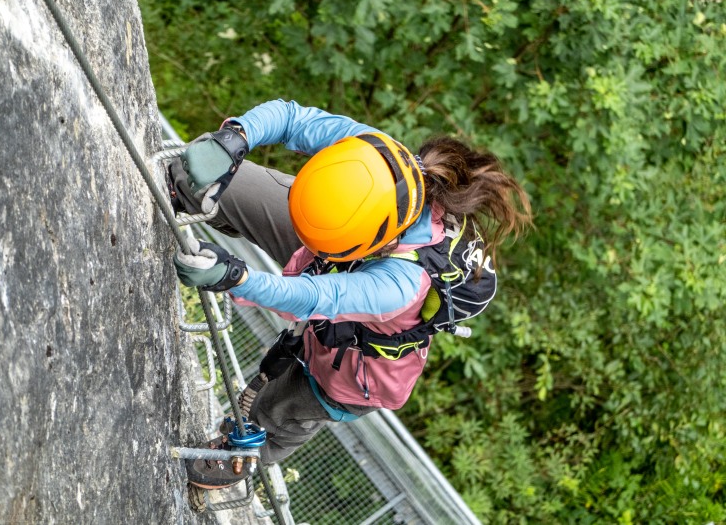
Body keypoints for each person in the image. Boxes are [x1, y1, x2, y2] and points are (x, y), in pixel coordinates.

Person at [169, 99, 531, 488]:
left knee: (274, 410)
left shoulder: (401, 284)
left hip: (357, 362)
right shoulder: (377, 162)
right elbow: (293, 118)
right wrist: (234, 138)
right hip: (336, 227)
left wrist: (235, 278)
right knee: (214, 179)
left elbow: (311, 297)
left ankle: (247, 454)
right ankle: (197, 198)